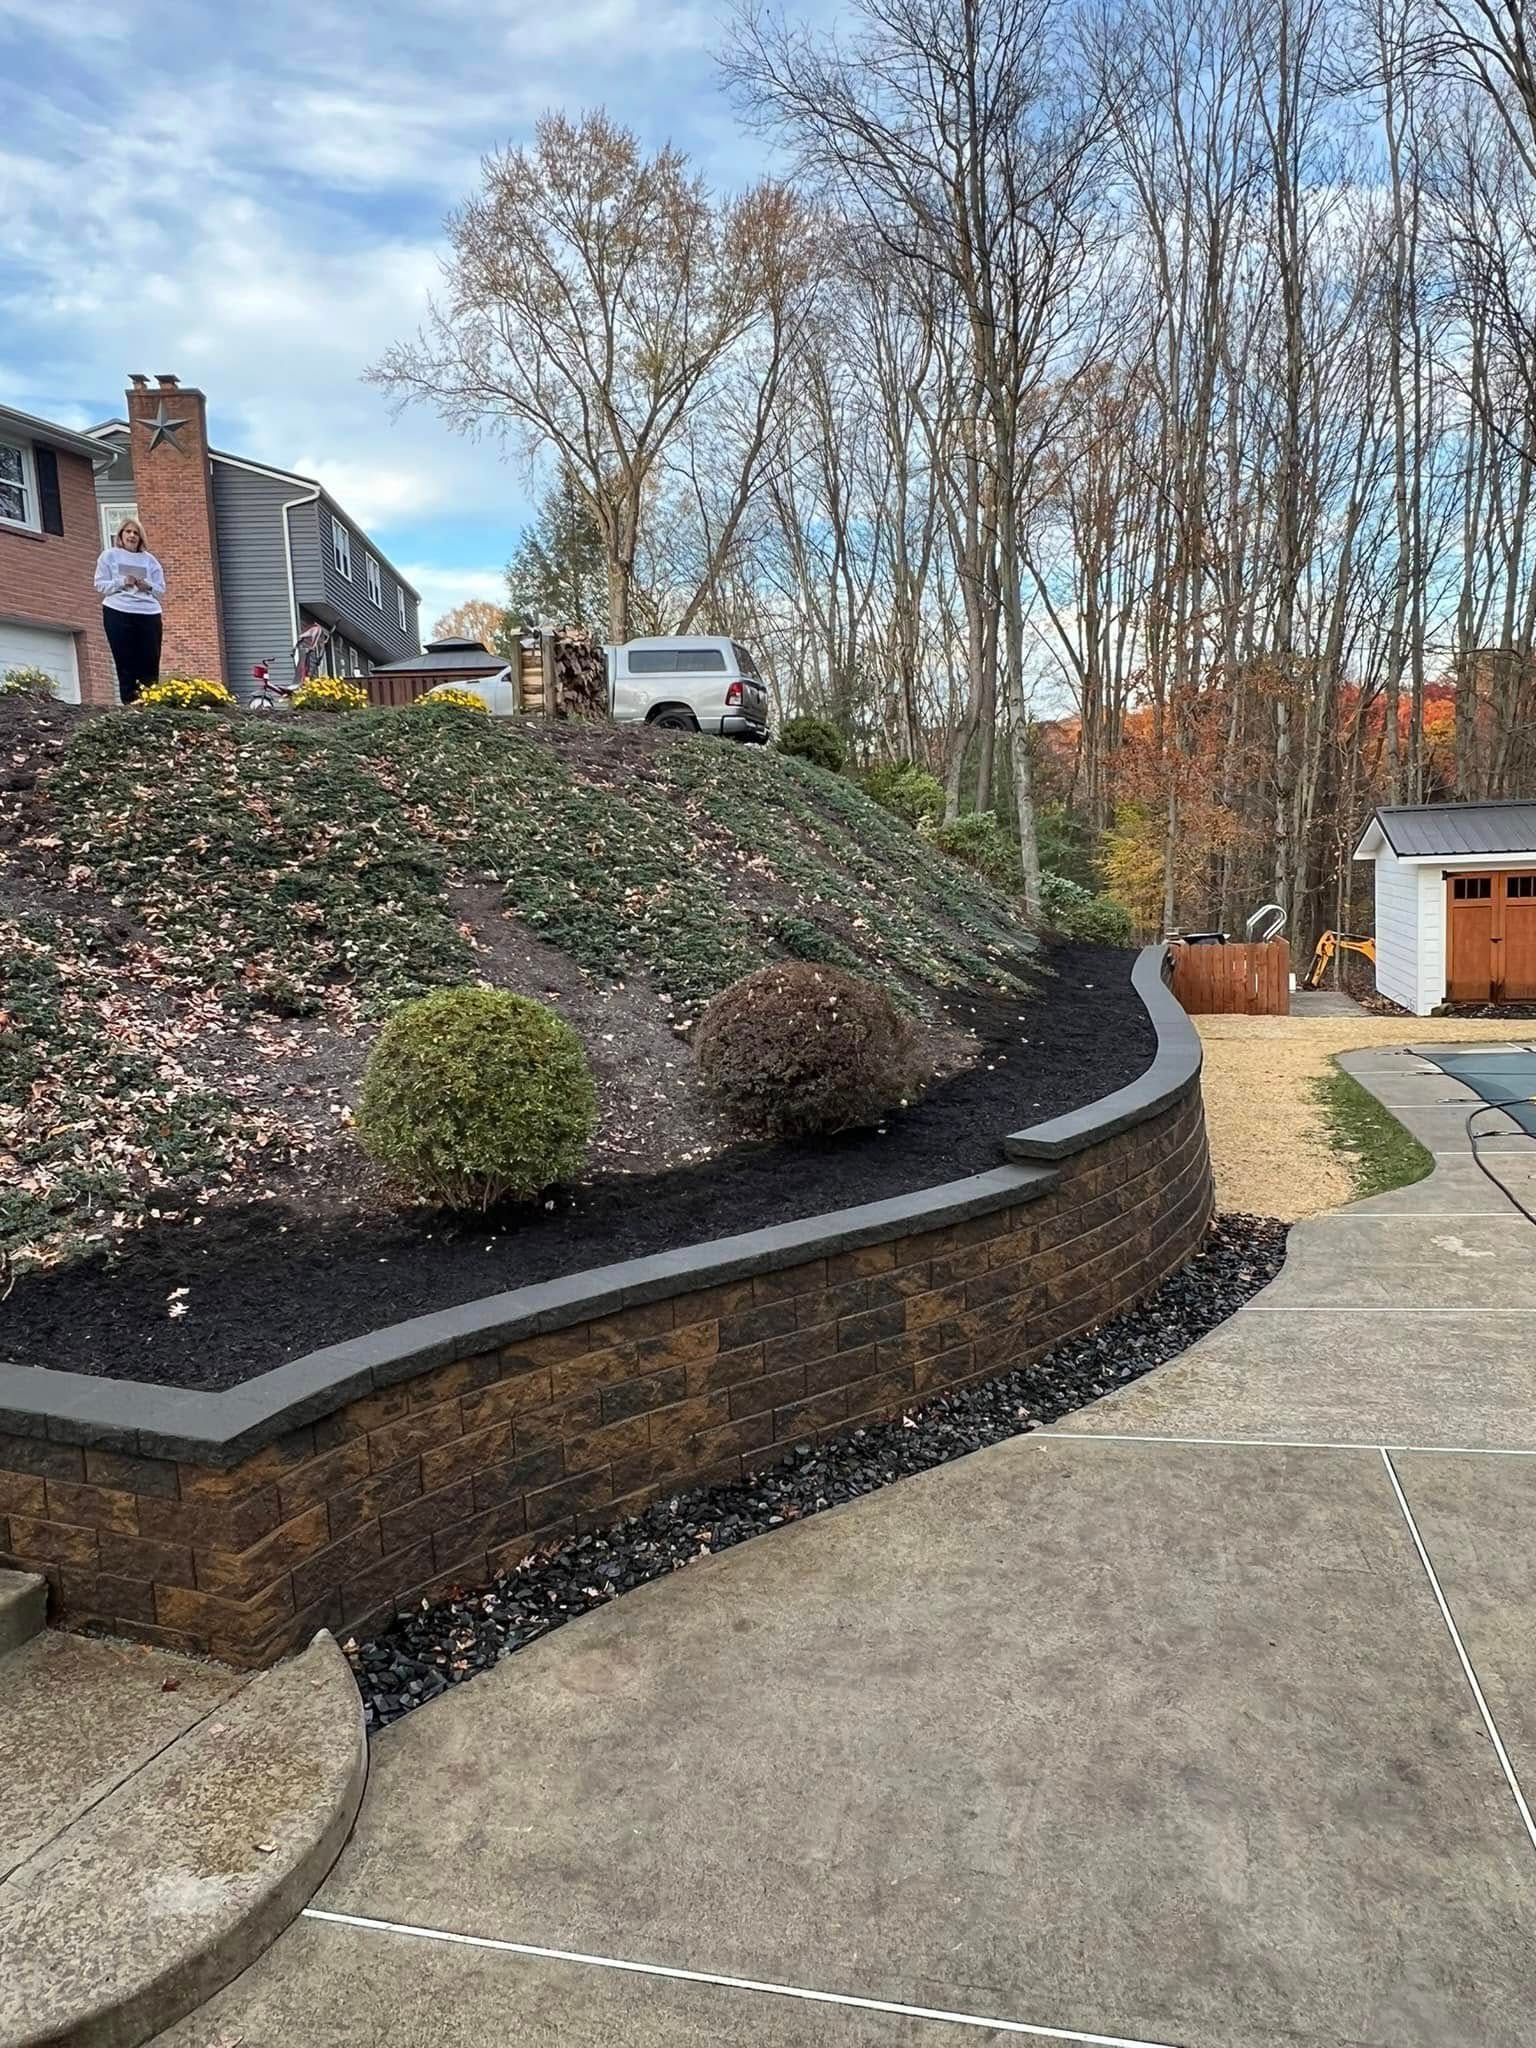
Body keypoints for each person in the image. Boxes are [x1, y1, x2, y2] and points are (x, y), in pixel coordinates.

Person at [94, 520, 165, 703]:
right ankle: (130, 702)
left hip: (148, 613)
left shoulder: (150, 560)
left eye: (136, 533)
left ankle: (150, 701)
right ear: (120, 535)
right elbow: (100, 585)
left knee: (149, 659)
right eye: (128, 532)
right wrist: (122, 582)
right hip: (118, 610)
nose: (132, 536)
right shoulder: (109, 556)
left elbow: (161, 590)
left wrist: (146, 585)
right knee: (125, 658)